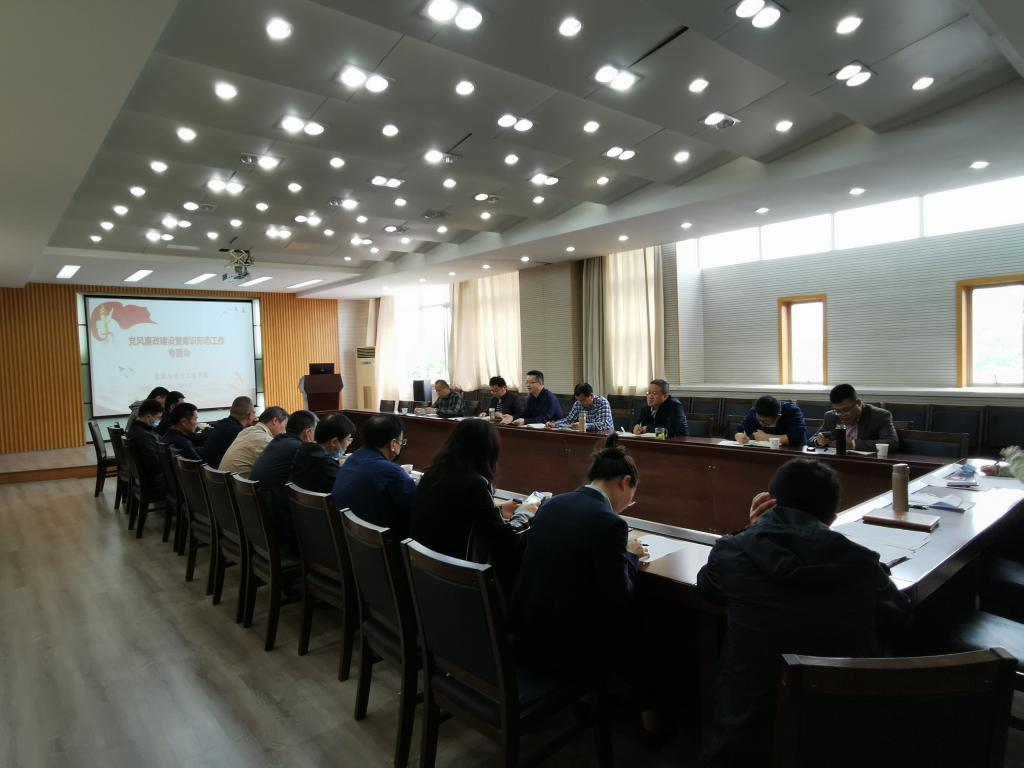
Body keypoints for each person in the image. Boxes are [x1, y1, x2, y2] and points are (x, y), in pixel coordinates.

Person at [696, 458, 911, 766]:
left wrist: (753, 530)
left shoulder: (733, 551)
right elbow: (898, 617)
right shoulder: (861, 563)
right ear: (832, 517)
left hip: (744, 729)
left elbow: (708, 587)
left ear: (768, 502)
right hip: (839, 732)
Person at [511, 433, 644, 687]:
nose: (629, 502)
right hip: (568, 651)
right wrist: (631, 555)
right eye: (632, 495)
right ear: (625, 482)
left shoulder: (552, 504)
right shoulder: (611, 523)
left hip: (527, 633)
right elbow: (619, 596)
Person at [410, 419, 530, 590]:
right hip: (457, 575)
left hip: (424, 568)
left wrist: (496, 510)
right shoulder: (475, 484)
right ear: (488, 451)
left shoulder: (431, 474)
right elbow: (504, 538)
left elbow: (456, 513)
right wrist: (526, 513)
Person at [331, 414, 418, 537]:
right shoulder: (392, 472)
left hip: (347, 536)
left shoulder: (352, 458)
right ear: (393, 444)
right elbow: (417, 507)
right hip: (378, 541)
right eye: (401, 442)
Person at [250, 410, 318, 558]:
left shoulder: (277, 441)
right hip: (278, 529)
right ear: (308, 432)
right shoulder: (300, 448)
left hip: (259, 520)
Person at [807, 383, 898, 451]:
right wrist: (818, 441)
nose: (842, 414)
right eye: (837, 411)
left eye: (846, 409)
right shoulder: (831, 416)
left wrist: (853, 444)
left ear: (858, 403)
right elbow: (811, 440)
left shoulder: (879, 416)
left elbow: (892, 443)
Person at [289, 413, 355, 494]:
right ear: (334, 442)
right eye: (348, 439)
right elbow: (349, 490)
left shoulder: (302, 451)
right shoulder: (326, 465)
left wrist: (336, 463)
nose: (348, 443)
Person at [219, 406, 289, 477]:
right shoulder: (264, 439)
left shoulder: (246, 431)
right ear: (275, 421)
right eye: (285, 426)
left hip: (225, 481)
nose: (285, 432)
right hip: (239, 483)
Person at [201, 396, 256, 469]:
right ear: (249, 415)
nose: (255, 416)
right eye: (254, 412)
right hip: (221, 474)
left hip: (209, 473)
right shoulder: (242, 433)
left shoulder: (221, 425)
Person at [126, 398, 165, 493]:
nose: (159, 421)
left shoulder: (135, 428)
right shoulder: (145, 436)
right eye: (158, 417)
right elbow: (154, 465)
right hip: (153, 480)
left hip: (142, 477)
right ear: (148, 416)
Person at [735, 395, 807, 446]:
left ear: (778, 417)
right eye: (758, 419)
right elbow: (740, 430)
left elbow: (797, 438)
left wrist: (766, 437)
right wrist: (739, 436)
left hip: (793, 452)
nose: (761, 423)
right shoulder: (755, 411)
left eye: (765, 421)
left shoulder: (792, 411)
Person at [548, 383, 613, 432]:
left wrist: (583, 425)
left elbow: (603, 425)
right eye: (579, 400)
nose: (581, 403)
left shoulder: (602, 402)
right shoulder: (578, 403)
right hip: (586, 436)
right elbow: (569, 420)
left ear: (591, 396)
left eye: (584, 400)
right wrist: (555, 424)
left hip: (604, 437)